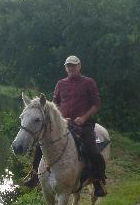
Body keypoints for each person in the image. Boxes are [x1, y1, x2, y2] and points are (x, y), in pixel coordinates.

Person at [23, 55, 107, 197]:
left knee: (92, 150)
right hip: (64, 123)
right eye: (69, 66)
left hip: (84, 124)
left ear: (79, 66)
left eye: (74, 65)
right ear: (65, 67)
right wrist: (61, 118)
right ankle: (34, 175)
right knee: (40, 144)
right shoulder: (60, 84)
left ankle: (98, 180)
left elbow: (96, 104)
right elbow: (54, 105)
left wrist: (84, 117)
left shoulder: (89, 82)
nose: (71, 68)